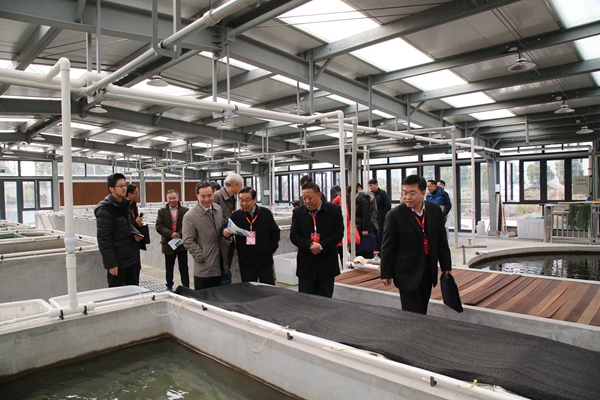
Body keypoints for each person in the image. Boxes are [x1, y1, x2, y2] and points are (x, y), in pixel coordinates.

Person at [380, 175, 452, 315]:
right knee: (413, 314)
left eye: (412, 193)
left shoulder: (434, 211)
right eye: (404, 193)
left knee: (422, 309)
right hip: (406, 271)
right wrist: (386, 273)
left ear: (423, 193)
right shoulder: (395, 215)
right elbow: (387, 247)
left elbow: (441, 240)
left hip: (427, 270)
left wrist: (446, 265)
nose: (407, 197)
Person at [290, 182, 344, 297]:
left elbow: (338, 234)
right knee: (306, 301)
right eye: (304, 198)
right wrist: (309, 245)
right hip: (306, 265)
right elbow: (294, 235)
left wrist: (321, 246)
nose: (307, 201)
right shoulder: (298, 213)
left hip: (327, 264)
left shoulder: (334, 211)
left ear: (319, 195)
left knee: (326, 301)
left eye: (310, 197)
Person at [94, 173, 144, 287]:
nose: (124, 188)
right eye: (120, 186)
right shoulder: (105, 210)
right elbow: (104, 239)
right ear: (111, 189)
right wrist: (111, 263)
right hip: (117, 261)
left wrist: (135, 233)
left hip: (130, 256)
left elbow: (127, 225)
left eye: (125, 185)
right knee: (117, 292)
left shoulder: (124, 204)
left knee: (133, 289)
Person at [223, 187, 280, 284]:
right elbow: (225, 228)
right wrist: (224, 232)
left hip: (265, 260)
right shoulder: (236, 216)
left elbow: (275, 232)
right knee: (249, 288)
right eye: (241, 200)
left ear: (255, 199)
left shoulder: (265, 213)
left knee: (268, 288)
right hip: (246, 262)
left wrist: (270, 249)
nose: (244, 204)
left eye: (247, 200)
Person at [182, 181, 232, 290]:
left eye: (210, 195)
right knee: (203, 297)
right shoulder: (190, 216)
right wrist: (201, 256)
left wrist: (227, 238)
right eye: (203, 196)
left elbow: (222, 227)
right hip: (204, 267)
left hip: (221, 263)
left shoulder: (218, 209)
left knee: (221, 296)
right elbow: (188, 241)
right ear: (197, 196)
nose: (207, 199)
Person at [155, 189, 189, 291]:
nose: (172, 200)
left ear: (178, 198)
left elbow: (188, 224)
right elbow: (159, 226)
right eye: (170, 198)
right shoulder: (161, 212)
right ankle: (169, 285)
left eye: (174, 198)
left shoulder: (185, 211)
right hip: (168, 243)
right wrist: (171, 234)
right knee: (169, 267)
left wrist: (179, 233)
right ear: (167, 199)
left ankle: (186, 286)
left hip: (181, 242)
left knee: (183, 267)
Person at [213, 173, 243, 285]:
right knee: (222, 269)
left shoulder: (232, 198)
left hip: (229, 239)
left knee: (227, 267)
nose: (241, 188)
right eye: (240, 185)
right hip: (219, 240)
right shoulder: (216, 197)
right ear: (234, 185)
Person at [126, 184, 144, 283]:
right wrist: (135, 223)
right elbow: (125, 224)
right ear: (129, 194)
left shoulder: (134, 206)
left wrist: (138, 224)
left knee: (137, 265)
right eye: (136, 193)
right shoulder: (124, 207)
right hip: (128, 240)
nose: (138, 195)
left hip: (136, 240)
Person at [368, 178, 391, 253]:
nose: (370, 187)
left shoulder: (382, 193)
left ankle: (381, 251)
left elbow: (388, 205)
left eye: (371, 185)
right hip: (373, 218)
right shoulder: (370, 194)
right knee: (373, 234)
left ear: (376, 184)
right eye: (369, 186)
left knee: (380, 235)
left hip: (381, 218)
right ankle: (375, 250)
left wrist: (382, 215)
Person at [355, 183, 376, 259]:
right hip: (360, 226)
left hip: (363, 228)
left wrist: (365, 229)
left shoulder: (363, 200)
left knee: (365, 247)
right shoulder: (360, 200)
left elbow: (366, 214)